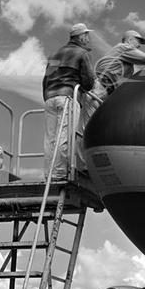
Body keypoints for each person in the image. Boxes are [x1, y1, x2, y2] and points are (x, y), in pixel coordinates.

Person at [43, 23, 95, 179]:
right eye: (87, 35)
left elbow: (46, 79)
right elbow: (89, 82)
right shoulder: (82, 53)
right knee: (65, 136)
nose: (88, 38)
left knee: (50, 139)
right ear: (81, 36)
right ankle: (59, 173)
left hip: (50, 98)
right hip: (68, 97)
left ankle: (49, 173)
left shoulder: (54, 55)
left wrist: (48, 96)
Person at [90, 30, 145, 105]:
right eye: (138, 41)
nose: (139, 45)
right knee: (92, 106)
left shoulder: (127, 61)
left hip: (106, 91)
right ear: (130, 40)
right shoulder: (124, 47)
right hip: (102, 87)